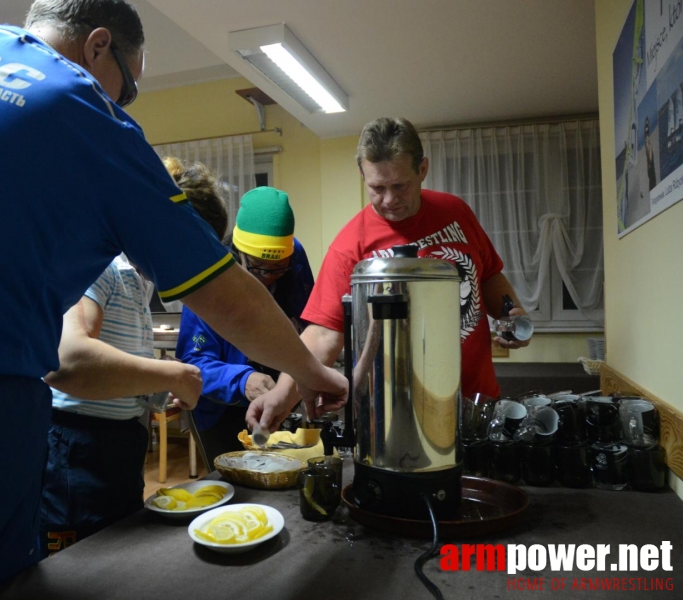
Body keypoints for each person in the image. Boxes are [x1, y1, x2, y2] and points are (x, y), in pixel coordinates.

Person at [0, 1, 347, 597]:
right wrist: (308, 371)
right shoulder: (83, 113)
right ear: (97, 45)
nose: (122, 104)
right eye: (127, 90)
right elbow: (221, 288)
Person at [247, 117, 529, 432]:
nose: (390, 200)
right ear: (362, 175)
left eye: (400, 185)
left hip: (475, 401)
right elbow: (324, 334)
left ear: (422, 169)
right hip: (399, 416)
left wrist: (510, 311)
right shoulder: (350, 245)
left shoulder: (456, 213)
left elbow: (488, 275)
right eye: (377, 188)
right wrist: (282, 396)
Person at [39, 157, 229, 556]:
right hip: (77, 449)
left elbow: (116, 376)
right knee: (79, 567)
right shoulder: (102, 264)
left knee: (118, 560)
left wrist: (157, 390)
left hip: (119, 448)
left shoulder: (139, 279)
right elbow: (67, 361)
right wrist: (170, 374)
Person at [175, 187, 315, 466]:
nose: (270, 278)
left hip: (280, 394)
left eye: (279, 269)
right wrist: (242, 380)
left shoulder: (294, 256)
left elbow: (309, 325)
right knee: (235, 486)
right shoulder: (209, 272)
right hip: (222, 408)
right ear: (238, 253)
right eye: (260, 269)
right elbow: (193, 361)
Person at [645, 117, 657, 191]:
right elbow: (650, 160)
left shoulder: (648, 144)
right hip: (650, 168)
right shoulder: (648, 146)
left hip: (650, 169)